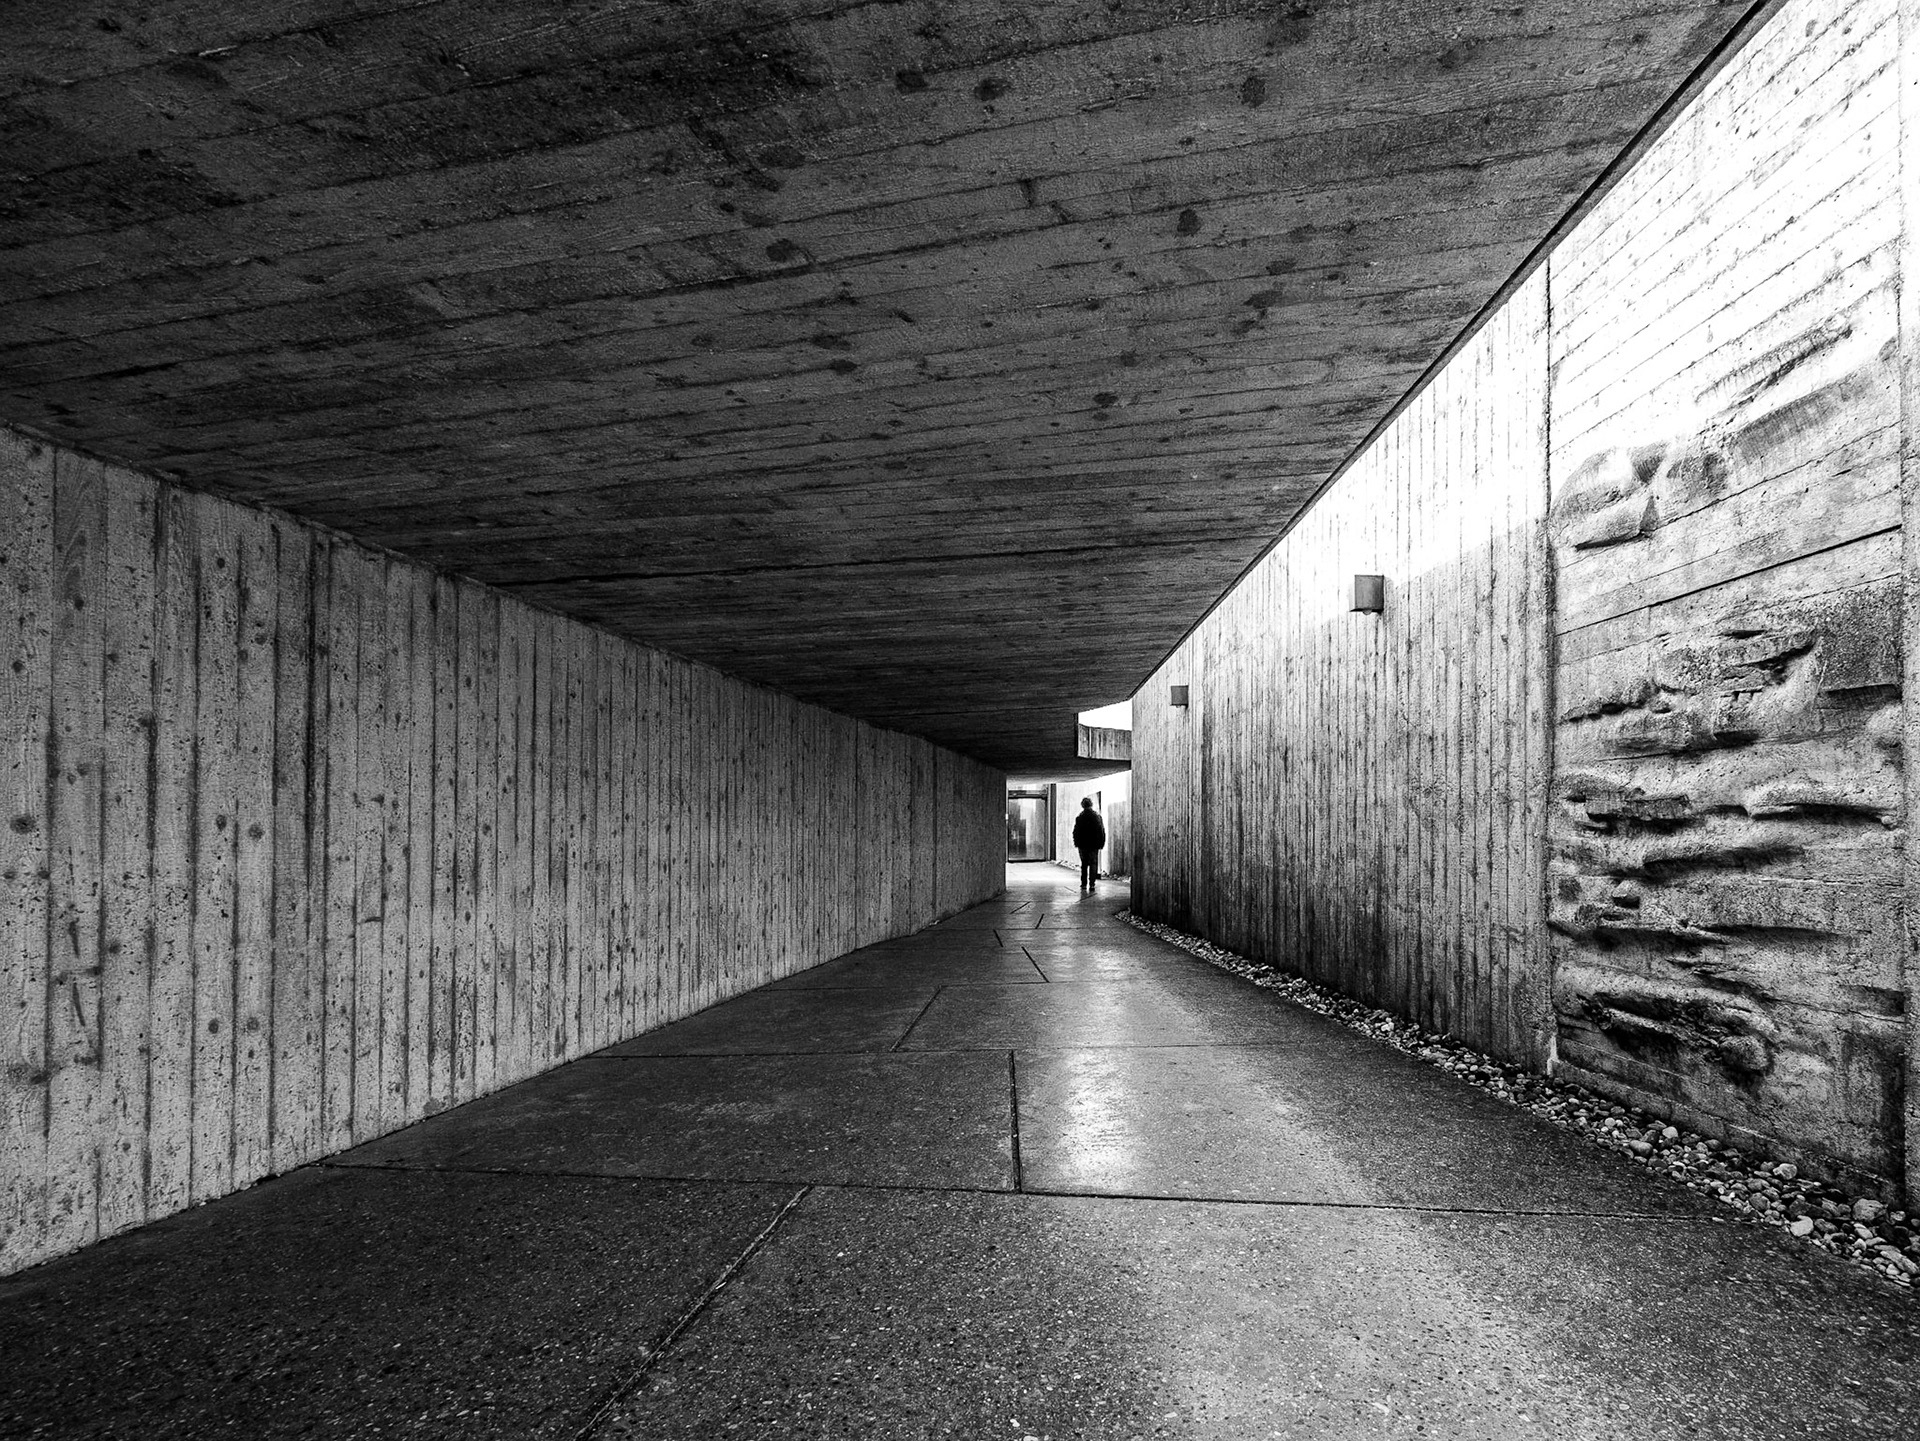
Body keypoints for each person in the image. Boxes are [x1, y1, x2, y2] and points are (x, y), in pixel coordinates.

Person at [1071, 797, 1106, 892]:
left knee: (1084, 864)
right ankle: (1092, 884)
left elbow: (1076, 832)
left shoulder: (1080, 817)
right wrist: (1101, 843)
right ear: (1091, 804)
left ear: (1082, 805)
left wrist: (1077, 843)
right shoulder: (1097, 817)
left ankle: (1083, 884)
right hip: (1094, 844)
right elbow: (1101, 831)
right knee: (1093, 864)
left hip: (1083, 845)